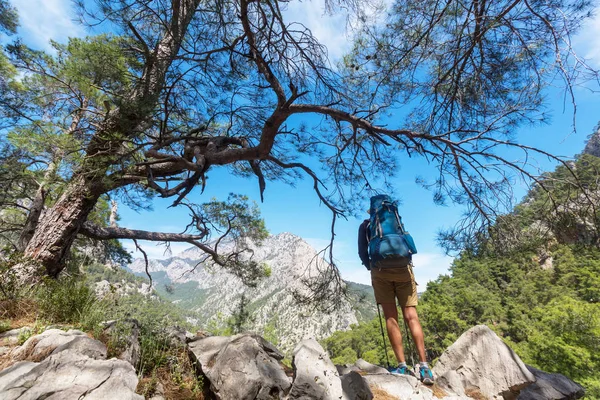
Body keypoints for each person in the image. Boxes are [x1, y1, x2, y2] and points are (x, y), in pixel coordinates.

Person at [358, 217, 434, 385]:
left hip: (380, 272)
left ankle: (401, 366)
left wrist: (372, 268)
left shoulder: (366, 226)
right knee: (412, 316)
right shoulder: (395, 221)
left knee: (391, 317)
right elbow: (409, 245)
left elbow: (362, 252)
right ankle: (424, 366)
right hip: (404, 271)